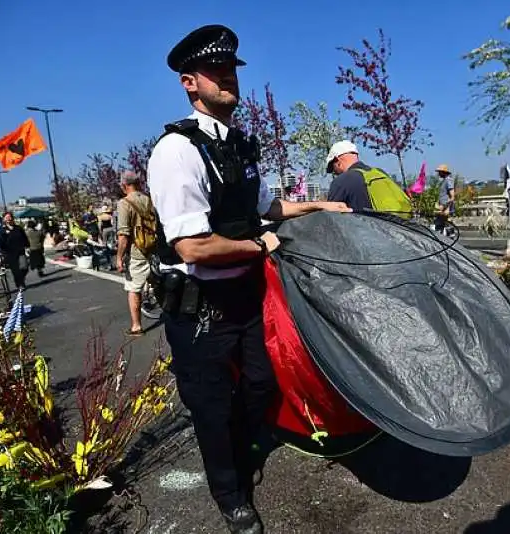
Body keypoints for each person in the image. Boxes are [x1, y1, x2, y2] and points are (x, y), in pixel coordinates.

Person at [148, 24, 350, 534]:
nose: (227, 80)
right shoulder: (176, 151)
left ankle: (243, 449)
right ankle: (231, 494)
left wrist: (319, 205)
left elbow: (266, 207)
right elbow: (192, 245)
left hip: (244, 293)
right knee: (211, 406)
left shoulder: (237, 145)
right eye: (214, 73)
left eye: (231, 71)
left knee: (261, 383)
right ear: (189, 83)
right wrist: (262, 244)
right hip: (200, 304)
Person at [326, 140, 410, 218]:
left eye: (332, 167)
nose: (334, 172)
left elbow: (329, 218)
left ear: (337, 161)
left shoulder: (341, 180)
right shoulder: (380, 173)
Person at [116, 171, 154, 337]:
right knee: (157, 284)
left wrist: (119, 257)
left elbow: (124, 235)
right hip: (153, 250)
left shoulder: (125, 203)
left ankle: (136, 326)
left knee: (134, 289)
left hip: (136, 251)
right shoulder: (149, 200)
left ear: (125, 186)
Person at [0, 212, 29, 290]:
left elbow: (24, 237)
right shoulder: (3, 230)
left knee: (24, 267)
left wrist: (27, 246)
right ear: (4, 219)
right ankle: (20, 284)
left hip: (20, 251)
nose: (9, 219)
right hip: (10, 253)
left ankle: (20, 279)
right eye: (7, 217)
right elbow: (1, 242)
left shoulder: (18, 228)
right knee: (16, 270)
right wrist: (5, 234)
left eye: (10, 217)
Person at [434, 164, 455, 232]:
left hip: (445, 208)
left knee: (444, 226)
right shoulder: (444, 181)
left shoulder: (448, 180)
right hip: (442, 207)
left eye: (440, 172)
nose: (438, 173)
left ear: (443, 172)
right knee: (439, 226)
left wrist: (446, 207)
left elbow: (452, 197)